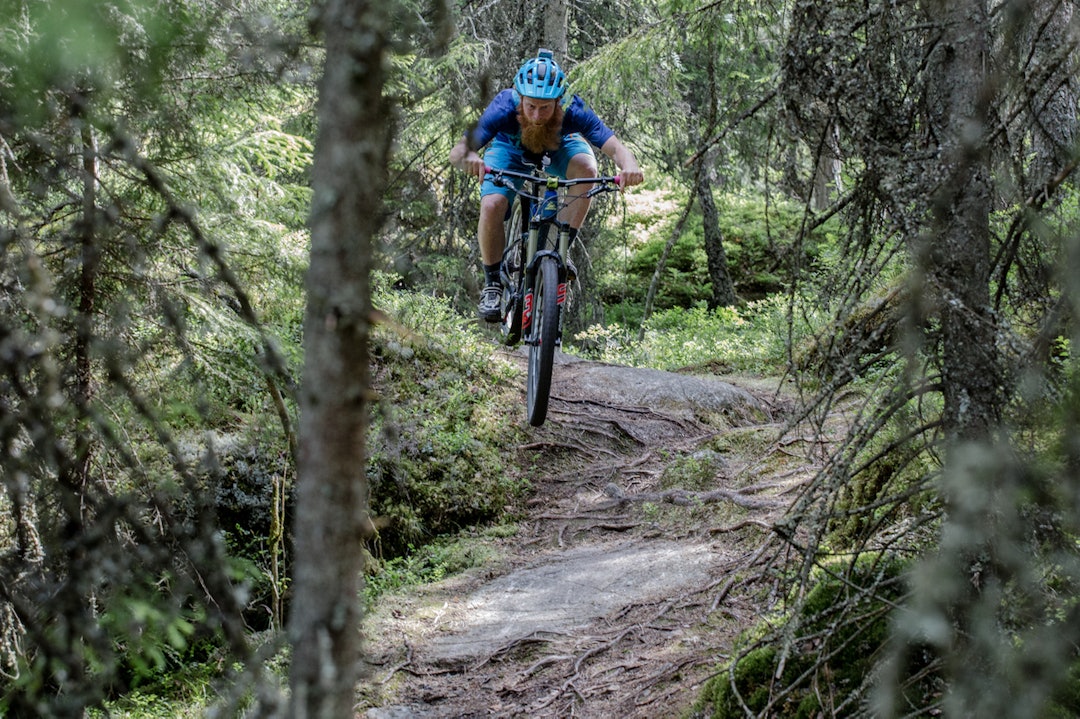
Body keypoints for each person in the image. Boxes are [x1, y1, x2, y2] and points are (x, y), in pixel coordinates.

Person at [450, 49, 645, 321]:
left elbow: (616, 148)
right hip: (510, 151)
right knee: (492, 204)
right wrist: (470, 156)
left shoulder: (574, 108)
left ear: (558, 102)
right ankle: (492, 282)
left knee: (587, 171)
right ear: (520, 99)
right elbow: (460, 149)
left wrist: (630, 166)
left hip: (560, 146)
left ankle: (559, 249)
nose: (537, 115)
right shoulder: (505, 105)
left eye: (545, 107)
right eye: (530, 106)